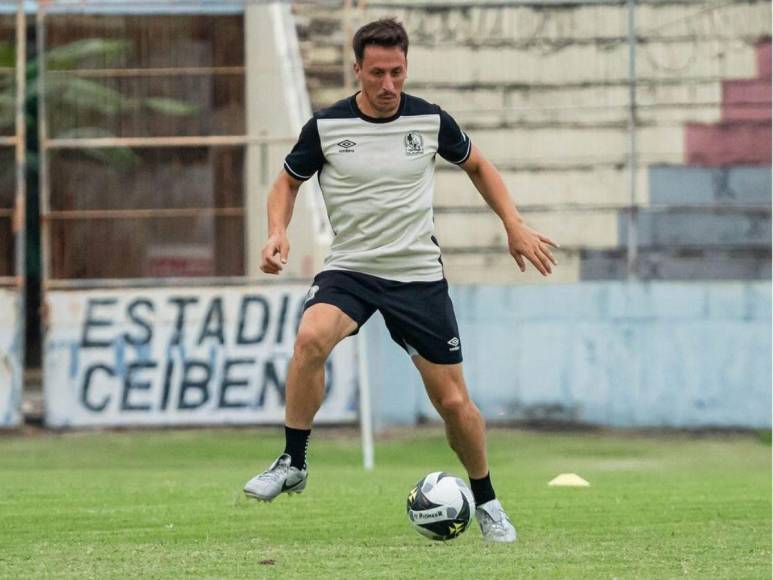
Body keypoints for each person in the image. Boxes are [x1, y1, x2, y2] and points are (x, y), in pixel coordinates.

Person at [243, 18, 558, 543]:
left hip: (417, 276)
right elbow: (285, 182)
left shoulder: (431, 121)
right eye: (376, 74)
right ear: (356, 70)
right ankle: (292, 461)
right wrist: (277, 232)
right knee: (309, 339)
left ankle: (487, 502)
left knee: (454, 405)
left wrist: (514, 224)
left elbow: (480, 166)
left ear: (406, 67)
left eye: (397, 73)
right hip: (352, 269)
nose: (388, 86)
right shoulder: (326, 128)